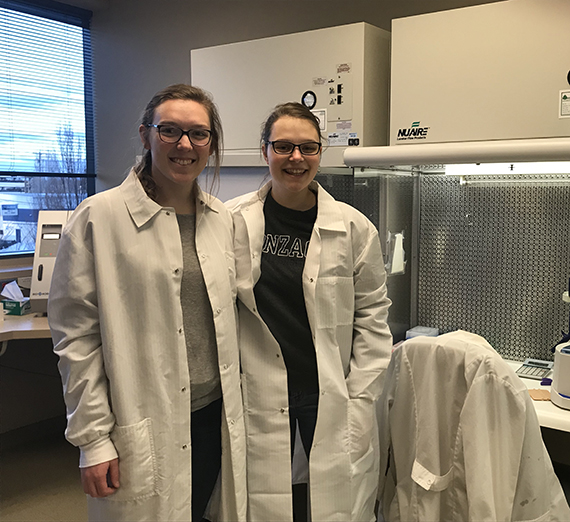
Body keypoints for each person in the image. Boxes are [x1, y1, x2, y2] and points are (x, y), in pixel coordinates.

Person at [48, 84, 246, 522]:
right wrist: (93, 439)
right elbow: (76, 339)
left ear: (211, 144)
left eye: (199, 134)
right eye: (169, 130)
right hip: (141, 419)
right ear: (145, 135)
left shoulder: (223, 220)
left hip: (214, 413)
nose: (184, 145)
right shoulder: (98, 218)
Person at [226, 102, 392, 521]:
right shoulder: (232, 221)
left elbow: (373, 317)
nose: (296, 158)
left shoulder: (354, 228)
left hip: (328, 390)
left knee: (330, 498)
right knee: (266, 498)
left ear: (320, 153)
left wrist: (359, 392)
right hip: (259, 389)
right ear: (264, 152)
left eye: (307, 147)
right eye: (283, 146)